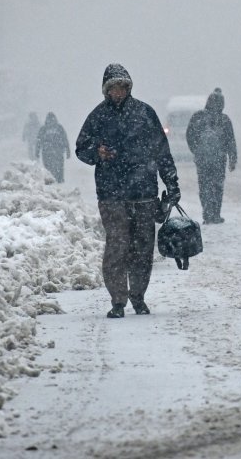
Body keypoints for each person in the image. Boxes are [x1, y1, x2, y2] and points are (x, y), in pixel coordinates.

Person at [75, 63, 181, 319]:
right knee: (117, 247)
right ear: (106, 90)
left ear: (129, 87)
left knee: (143, 249)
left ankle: (138, 297)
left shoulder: (145, 114)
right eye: (114, 88)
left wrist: (172, 183)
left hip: (144, 194)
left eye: (122, 87)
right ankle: (118, 300)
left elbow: (162, 151)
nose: (119, 92)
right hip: (112, 195)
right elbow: (81, 148)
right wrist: (96, 152)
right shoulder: (98, 116)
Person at [186, 88, 237, 224]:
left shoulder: (198, 117)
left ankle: (207, 214)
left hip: (202, 160)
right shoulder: (225, 120)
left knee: (204, 186)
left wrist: (196, 151)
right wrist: (232, 159)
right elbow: (231, 141)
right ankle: (215, 214)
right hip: (219, 160)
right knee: (217, 187)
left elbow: (189, 136)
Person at [35, 112, 71, 183]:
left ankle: (50, 179)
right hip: (57, 151)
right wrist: (67, 150)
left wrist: (37, 151)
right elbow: (64, 139)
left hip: (48, 151)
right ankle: (59, 179)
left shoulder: (44, 128)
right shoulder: (59, 128)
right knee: (59, 166)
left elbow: (39, 140)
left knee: (48, 166)